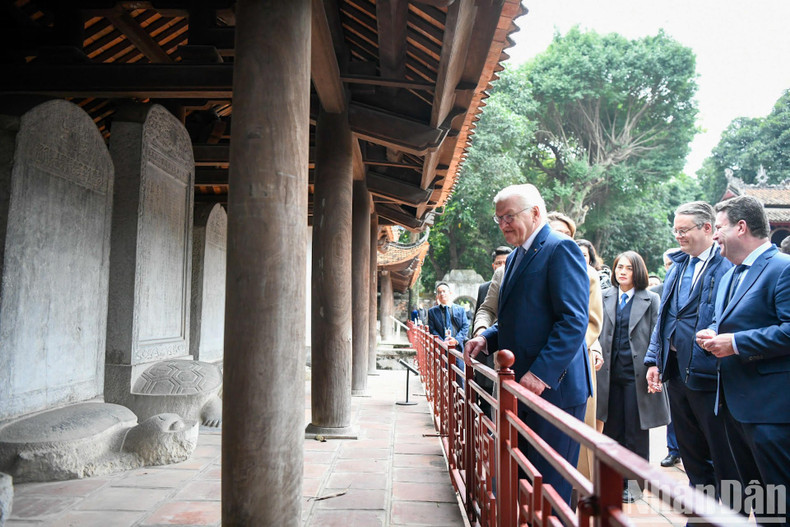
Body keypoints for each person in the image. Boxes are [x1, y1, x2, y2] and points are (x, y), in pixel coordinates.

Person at [464, 184, 591, 506]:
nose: (503, 224)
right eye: (499, 219)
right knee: (523, 478)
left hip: (553, 387)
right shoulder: (516, 256)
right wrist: (486, 337)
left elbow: (573, 321)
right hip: (520, 384)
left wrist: (541, 374)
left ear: (535, 213)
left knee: (550, 488)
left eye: (509, 216)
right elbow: (518, 317)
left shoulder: (560, 248)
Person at [644, 202, 743, 511]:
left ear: (707, 228)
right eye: (676, 230)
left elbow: (730, 316)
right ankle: (700, 513)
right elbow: (664, 317)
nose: (678, 236)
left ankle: (731, 515)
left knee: (723, 454)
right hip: (676, 372)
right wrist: (654, 359)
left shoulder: (726, 265)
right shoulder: (678, 265)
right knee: (691, 452)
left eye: (684, 230)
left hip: (709, 374)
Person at [697, 195, 790, 521]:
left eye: (719, 228)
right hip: (733, 408)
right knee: (760, 503)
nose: (714, 236)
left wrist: (736, 343)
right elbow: (727, 323)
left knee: (779, 503)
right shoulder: (730, 276)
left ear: (741, 227)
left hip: (771, 412)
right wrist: (713, 333)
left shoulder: (783, 268)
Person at [597, 251, 668, 503]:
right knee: (611, 430)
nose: (622, 272)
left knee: (635, 433)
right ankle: (612, 482)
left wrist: (654, 365)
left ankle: (635, 487)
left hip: (637, 376)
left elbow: (658, 335)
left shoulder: (651, 299)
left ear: (637, 271)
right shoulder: (604, 296)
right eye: (619, 267)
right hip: (608, 374)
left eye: (628, 268)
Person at [648, 247, 682, 468]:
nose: (671, 268)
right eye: (668, 264)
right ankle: (673, 449)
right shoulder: (657, 292)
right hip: (666, 357)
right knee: (673, 407)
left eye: (674, 264)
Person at [427, 282, 469, 373]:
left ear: (450, 293)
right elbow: (432, 329)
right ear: (437, 295)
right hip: (441, 348)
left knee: (459, 375)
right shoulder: (432, 312)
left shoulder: (460, 309)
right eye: (439, 292)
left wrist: (456, 340)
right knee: (443, 374)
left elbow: (465, 326)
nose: (442, 294)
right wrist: (443, 342)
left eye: (444, 291)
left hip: (457, 347)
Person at [474, 246, 512, 316]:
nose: (502, 266)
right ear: (493, 266)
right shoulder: (483, 288)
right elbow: (479, 314)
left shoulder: (517, 284)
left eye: (506, 263)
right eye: (499, 263)